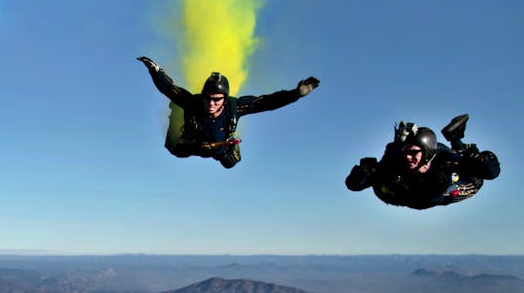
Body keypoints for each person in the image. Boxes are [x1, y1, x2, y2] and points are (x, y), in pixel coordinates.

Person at [136, 57, 319, 168]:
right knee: (174, 150)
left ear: (224, 99)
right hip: (196, 144)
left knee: (230, 163)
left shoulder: (235, 107)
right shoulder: (194, 102)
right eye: (208, 97)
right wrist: (155, 70)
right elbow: (169, 89)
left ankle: (229, 148)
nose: (211, 103)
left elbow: (267, 102)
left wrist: (295, 94)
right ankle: (176, 116)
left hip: (221, 147)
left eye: (217, 99)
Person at [345, 115, 500, 209]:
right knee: (385, 181)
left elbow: (492, 173)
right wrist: (362, 172)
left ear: (427, 153)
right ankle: (458, 144)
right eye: (406, 152)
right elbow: (354, 185)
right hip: (410, 195)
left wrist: (478, 158)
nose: (408, 157)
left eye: (413, 153)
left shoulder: (443, 159)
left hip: (443, 187)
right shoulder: (396, 160)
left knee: (473, 179)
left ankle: (456, 139)